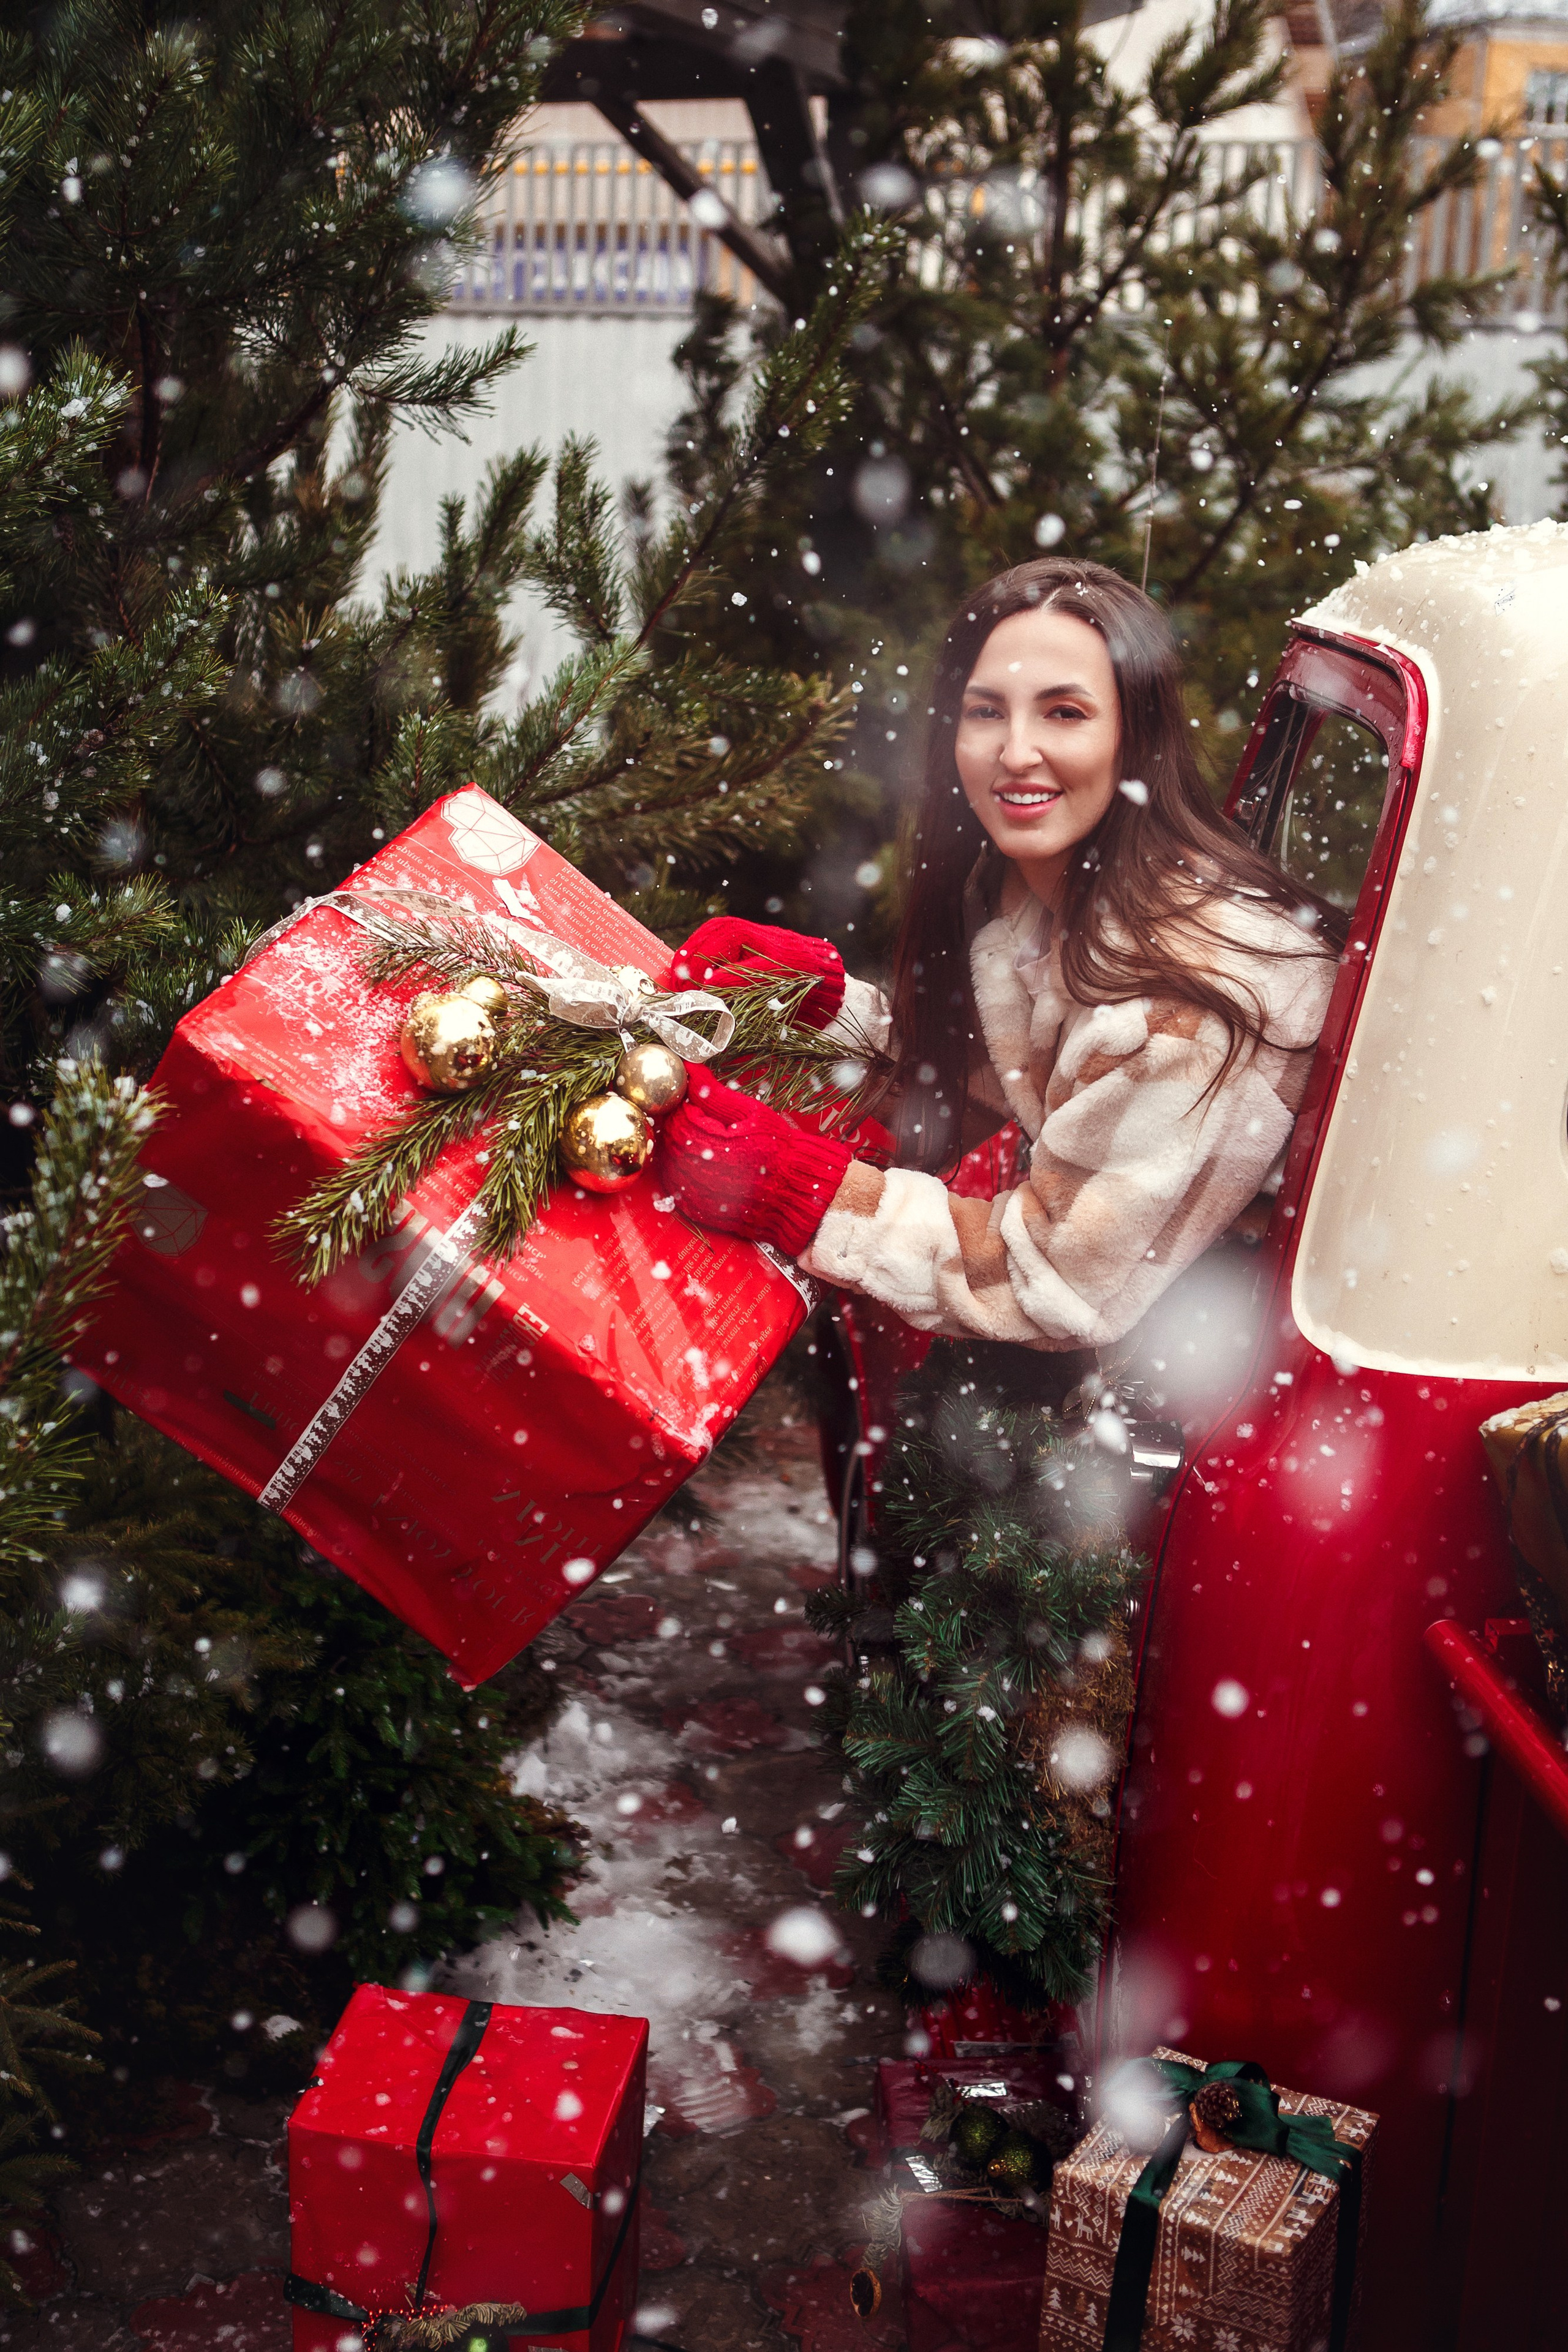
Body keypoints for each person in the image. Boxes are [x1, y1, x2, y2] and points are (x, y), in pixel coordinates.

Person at [651, 557, 1340, 1364]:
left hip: (1210, 1383)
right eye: (987, 712)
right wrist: (810, 1001)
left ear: (1135, 739)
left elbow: (1055, 1282)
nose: (1016, 752)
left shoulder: (1183, 1004)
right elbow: (982, 1077)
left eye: (1064, 712)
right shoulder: (1034, 886)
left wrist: (799, 1195)